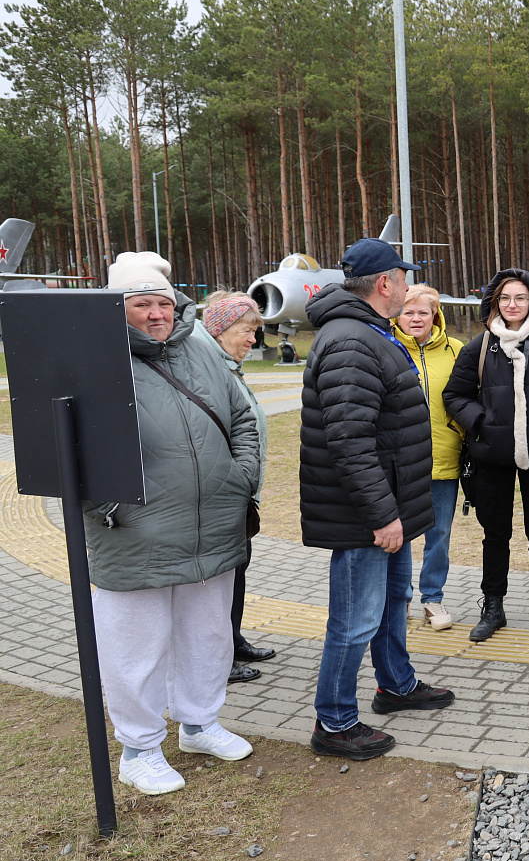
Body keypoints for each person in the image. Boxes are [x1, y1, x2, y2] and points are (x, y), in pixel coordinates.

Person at [89, 252, 261, 795]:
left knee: (206, 635)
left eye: (162, 302)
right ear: (119, 307)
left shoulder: (200, 351)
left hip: (213, 526)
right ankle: (139, 748)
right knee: (136, 646)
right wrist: (108, 508)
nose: (156, 313)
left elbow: (241, 417)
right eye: (141, 304)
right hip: (133, 535)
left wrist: (241, 478)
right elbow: (66, 442)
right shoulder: (95, 356)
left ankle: (199, 722)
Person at [302, 238, 455, 761]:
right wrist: (383, 515)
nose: (409, 288)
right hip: (367, 517)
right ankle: (336, 722)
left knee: (394, 603)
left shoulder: (368, 332)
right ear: (385, 283)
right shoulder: (351, 341)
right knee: (355, 619)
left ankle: (396, 685)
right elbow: (349, 439)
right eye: (404, 278)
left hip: (389, 508)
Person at [443, 268, 529, 640]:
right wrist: (482, 423)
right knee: (495, 533)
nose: (512, 304)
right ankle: (493, 606)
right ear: (494, 302)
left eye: (520, 298)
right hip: (490, 457)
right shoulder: (478, 348)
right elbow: (455, 396)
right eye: (505, 298)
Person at [193, 292, 275, 685]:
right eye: (247, 331)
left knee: (237, 570)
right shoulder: (211, 369)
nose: (253, 341)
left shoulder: (227, 366)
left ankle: (233, 639)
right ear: (221, 329)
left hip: (237, 495)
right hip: (221, 497)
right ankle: (218, 658)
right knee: (221, 578)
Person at [393, 284, 466, 632]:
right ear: (397, 315)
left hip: (445, 460)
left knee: (439, 534)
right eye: (409, 312)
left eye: (423, 312)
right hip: (401, 464)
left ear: (435, 315)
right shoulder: (385, 347)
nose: (416, 318)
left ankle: (432, 599)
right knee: (400, 535)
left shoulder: (456, 350)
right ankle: (399, 601)